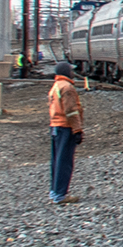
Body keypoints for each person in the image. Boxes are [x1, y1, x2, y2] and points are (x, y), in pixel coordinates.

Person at [48, 63, 84, 204]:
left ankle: (54, 191)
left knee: (57, 160)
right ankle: (60, 195)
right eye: (71, 70)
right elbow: (70, 111)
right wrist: (77, 130)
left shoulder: (56, 86)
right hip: (65, 127)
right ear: (66, 72)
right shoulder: (67, 87)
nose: (73, 73)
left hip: (55, 126)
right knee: (64, 162)